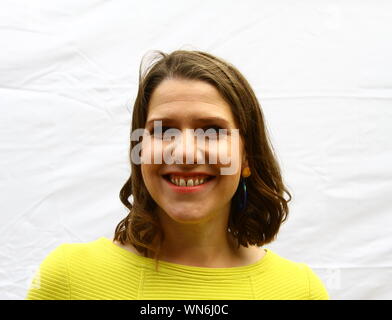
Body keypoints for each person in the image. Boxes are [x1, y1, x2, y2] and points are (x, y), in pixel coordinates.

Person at [26, 49, 330, 300]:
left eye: (212, 131)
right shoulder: (67, 279)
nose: (184, 153)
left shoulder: (299, 291)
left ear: (246, 156)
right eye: (163, 130)